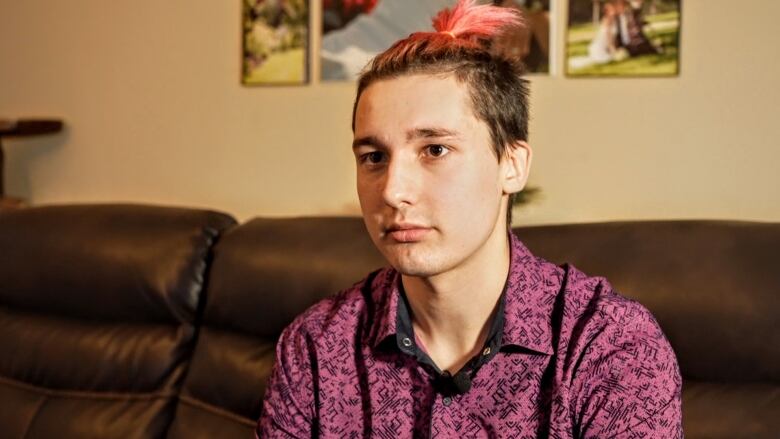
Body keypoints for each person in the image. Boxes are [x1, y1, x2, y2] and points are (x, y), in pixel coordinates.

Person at [257, 0, 682, 437]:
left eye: (435, 150)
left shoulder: (611, 347)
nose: (392, 190)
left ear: (511, 165)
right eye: (374, 157)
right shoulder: (315, 348)